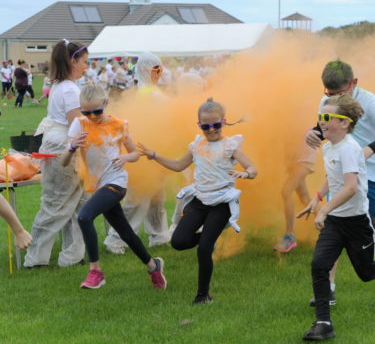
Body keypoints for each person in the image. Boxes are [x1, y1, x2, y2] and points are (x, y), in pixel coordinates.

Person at [299, 94, 375, 341]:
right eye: (320, 118)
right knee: (319, 265)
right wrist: (317, 198)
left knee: (366, 273)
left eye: (327, 118)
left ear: (345, 123)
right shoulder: (329, 147)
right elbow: (333, 177)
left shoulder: (350, 148)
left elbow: (351, 187)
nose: (321, 123)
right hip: (336, 222)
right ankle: (323, 323)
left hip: (357, 223)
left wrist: (324, 210)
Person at [305, 60, 375, 304]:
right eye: (328, 93)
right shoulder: (328, 104)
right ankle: (328, 290)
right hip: (344, 176)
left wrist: (369, 150)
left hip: (374, 174)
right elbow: (324, 129)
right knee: (335, 229)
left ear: (354, 83)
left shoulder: (371, 101)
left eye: (339, 92)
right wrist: (310, 133)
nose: (333, 97)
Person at [137, 97, 257, 304]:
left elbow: (253, 169)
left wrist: (246, 174)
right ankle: (210, 236)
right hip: (200, 200)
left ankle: (203, 295)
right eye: (206, 126)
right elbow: (177, 165)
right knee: (178, 242)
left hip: (221, 203)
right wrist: (154, 155)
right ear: (199, 125)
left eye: (216, 125)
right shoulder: (196, 145)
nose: (211, 130)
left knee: (204, 249)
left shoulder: (230, 146)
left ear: (224, 122)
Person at [61, 82, 166, 289]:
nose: (92, 117)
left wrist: (125, 157)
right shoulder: (79, 125)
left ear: (106, 104)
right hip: (98, 186)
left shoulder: (119, 125)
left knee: (84, 216)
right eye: (86, 112)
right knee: (125, 233)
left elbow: (135, 153)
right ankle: (154, 266)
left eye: (97, 111)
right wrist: (72, 147)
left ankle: (95, 271)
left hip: (117, 182)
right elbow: (64, 161)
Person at [23, 39, 88, 268]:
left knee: (78, 204)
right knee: (57, 204)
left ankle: (73, 255)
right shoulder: (70, 89)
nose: (86, 67)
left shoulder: (61, 85)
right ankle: (35, 258)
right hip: (63, 148)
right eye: (84, 62)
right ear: (73, 61)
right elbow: (76, 126)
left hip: (56, 145)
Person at [103, 52, 171, 254]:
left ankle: (159, 235)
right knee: (136, 198)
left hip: (153, 150)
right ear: (145, 70)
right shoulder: (149, 93)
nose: (159, 74)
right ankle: (116, 240)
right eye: (156, 70)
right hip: (143, 152)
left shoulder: (145, 91)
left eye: (160, 69)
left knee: (157, 197)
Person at [273, 144, 316, 252]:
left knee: (286, 191)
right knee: (304, 198)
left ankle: (289, 235)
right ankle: (333, 226)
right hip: (294, 158)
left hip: (304, 157)